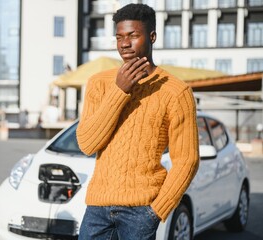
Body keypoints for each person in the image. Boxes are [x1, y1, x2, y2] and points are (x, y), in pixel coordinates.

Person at [76, 3, 200, 240]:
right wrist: (119, 91)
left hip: (140, 213)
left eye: (133, 35)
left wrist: (156, 211)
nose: (124, 43)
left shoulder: (176, 92)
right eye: (119, 37)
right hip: (97, 210)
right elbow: (87, 144)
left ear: (152, 36)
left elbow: (187, 160)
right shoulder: (99, 83)